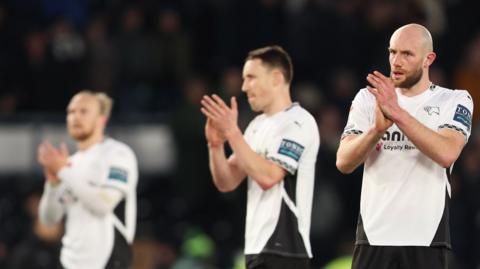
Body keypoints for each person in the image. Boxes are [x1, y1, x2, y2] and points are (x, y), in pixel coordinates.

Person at [336, 23, 474, 269]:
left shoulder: (454, 100)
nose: (396, 61)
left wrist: (397, 113)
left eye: (407, 54)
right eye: (392, 52)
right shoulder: (367, 99)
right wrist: (376, 131)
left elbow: (447, 152)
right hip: (373, 236)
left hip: (426, 238)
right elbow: (344, 162)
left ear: (428, 59)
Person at [201, 45, 320, 269]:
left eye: (251, 78)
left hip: (285, 248)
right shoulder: (256, 126)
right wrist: (215, 145)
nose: (244, 87)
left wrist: (232, 132)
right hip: (257, 247)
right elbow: (226, 182)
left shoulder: (298, 122)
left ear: (276, 78)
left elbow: (269, 177)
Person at [38, 91, 138, 269]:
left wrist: (62, 171)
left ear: (102, 119)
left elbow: (103, 204)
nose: (75, 117)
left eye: (83, 111)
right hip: (70, 262)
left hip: (109, 259)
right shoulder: (70, 164)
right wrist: (52, 185)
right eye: (71, 112)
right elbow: (49, 220)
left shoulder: (118, 154)